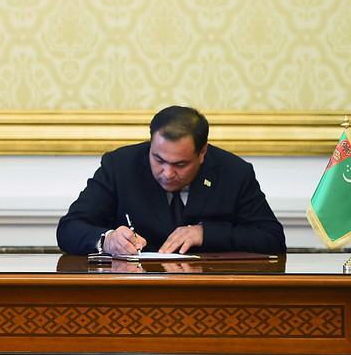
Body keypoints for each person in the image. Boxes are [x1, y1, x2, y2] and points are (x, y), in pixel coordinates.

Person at [56, 105, 286, 256]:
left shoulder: (234, 172)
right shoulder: (120, 166)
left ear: (202, 152)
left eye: (180, 164)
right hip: (134, 292)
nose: (167, 173)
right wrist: (106, 240)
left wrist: (205, 233)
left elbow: (272, 239)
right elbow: (69, 229)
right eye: (159, 160)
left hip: (209, 293)